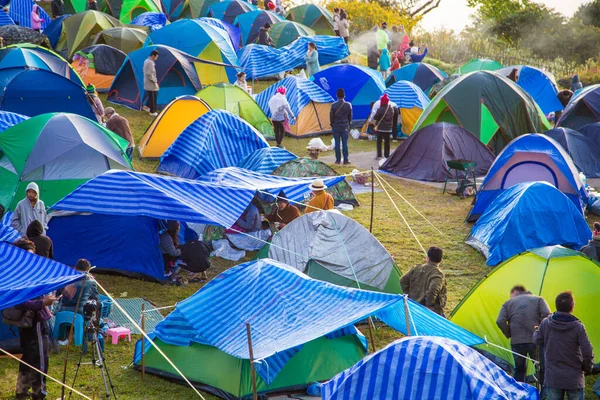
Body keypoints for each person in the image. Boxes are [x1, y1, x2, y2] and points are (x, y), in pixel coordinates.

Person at [13, 239, 58, 400]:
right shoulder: (17, 275)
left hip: (34, 320)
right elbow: (19, 301)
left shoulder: (27, 271)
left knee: (28, 357)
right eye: (27, 255)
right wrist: (42, 303)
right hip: (34, 322)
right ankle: (39, 393)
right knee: (39, 359)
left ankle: (21, 391)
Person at [534, 291, 594, 400]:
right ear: (572, 307)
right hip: (574, 378)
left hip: (553, 377)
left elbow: (537, 340)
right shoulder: (578, 327)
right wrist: (587, 368)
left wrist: (536, 332)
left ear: (556, 305)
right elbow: (588, 352)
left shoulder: (545, 323)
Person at [496, 285, 551, 387]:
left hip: (516, 342)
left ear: (516, 292)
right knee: (541, 368)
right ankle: (543, 392)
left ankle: (519, 392)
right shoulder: (539, 300)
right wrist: (540, 331)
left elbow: (500, 321)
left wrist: (509, 333)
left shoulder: (507, 303)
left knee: (519, 368)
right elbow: (547, 315)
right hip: (536, 341)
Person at [400, 246, 447, 316]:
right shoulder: (438, 274)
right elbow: (433, 289)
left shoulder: (416, 268)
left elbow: (403, 280)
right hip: (431, 311)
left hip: (413, 305)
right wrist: (429, 306)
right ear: (441, 260)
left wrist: (408, 294)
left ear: (427, 258)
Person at [330, 88, 352, 165]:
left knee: (337, 143)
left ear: (336, 96)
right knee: (345, 143)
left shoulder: (333, 105)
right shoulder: (348, 105)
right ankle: (346, 160)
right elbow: (350, 117)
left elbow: (331, 117)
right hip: (345, 126)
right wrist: (349, 124)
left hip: (336, 126)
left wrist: (332, 124)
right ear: (344, 96)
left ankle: (338, 160)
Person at [372, 94, 397, 159]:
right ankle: (387, 155)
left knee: (379, 142)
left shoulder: (380, 109)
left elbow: (376, 117)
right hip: (388, 128)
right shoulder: (391, 109)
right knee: (387, 142)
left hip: (380, 128)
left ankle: (379, 155)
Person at [143, 50, 159, 116]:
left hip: (147, 81)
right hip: (150, 82)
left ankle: (147, 107)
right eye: (156, 57)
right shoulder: (150, 62)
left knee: (151, 95)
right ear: (153, 56)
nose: (156, 58)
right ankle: (152, 112)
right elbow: (149, 73)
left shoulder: (146, 60)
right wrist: (154, 80)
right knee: (153, 96)